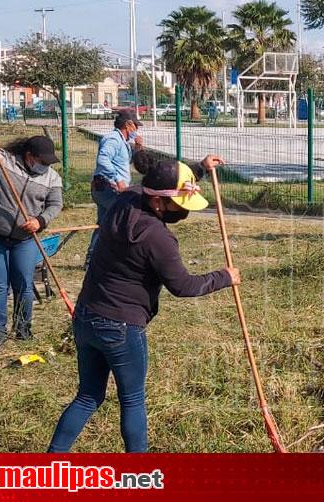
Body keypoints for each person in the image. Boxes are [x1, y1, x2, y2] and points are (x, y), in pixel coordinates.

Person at [48, 155, 239, 453]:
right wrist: (223, 277)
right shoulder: (157, 237)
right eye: (180, 204)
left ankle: (51, 462)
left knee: (88, 396)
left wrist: (199, 169)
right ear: (159, 203)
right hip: (120, 326)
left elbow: (156, 180)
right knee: (133, 400)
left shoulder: (126, 199)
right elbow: (183, 286)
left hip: (86, 315)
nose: (184, 211)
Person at [0, 136, 63, 350]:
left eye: (48, 162)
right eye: (42, 161)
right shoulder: (1, 161)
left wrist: (40, 220)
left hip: (25, 239)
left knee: (24, 285)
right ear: (29, 156)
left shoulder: (51, 178)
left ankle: (23, 329)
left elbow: (55, 204)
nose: (45, 166)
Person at [85, 110, 144, 268]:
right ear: (128, 125)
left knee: (104, 223)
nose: (137, 130)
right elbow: (103, 159)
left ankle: (92, 260)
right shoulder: (112, 139)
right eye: (135, 126)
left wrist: (137, 148)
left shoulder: (122, 141)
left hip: (109, 188)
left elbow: (122, 162)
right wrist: (118, 179)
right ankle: (117, 259)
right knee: (123, 220)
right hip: (107, 188)